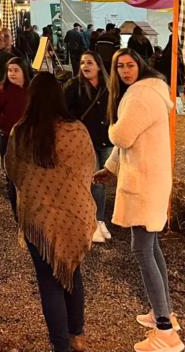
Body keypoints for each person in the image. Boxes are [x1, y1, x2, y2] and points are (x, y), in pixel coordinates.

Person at [94, 49, 184, 352]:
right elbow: (132, 142)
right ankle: (164, 312)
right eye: (120, 66)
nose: (124, 70)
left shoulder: (138, 95)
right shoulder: (152, 90)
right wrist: (110, 168)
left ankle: (165, 332)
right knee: (150, 245)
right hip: (150, 178)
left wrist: (110, 128)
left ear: (139, 65)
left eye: (130, 65)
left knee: (142, 249)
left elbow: (122, 136)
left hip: (144, 181)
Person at [5, 72, 96, 352]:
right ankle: (76, 335)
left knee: (49, 281)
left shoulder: (22, 132)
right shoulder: (78, 130)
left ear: (31, 98)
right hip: (75, 214)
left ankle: (61, 345)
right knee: (72, 272)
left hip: (39, 218)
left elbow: (13, 173)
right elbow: (88, 169)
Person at [64, 51, 113, 244]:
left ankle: (99, 220)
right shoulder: (73, 87)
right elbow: (63, 113)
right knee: (95, 182)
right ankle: (94, 221)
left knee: (102, 182)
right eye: (83, 62)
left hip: (107, 140)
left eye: (90, 62)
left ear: (99, 66)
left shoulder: (109, 87)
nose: (85, 65)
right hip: (85, 142)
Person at [0, 57, 30, 213]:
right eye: (10, 70)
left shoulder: (31, 89)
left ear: (24, 71)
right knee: (12, 175)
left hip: (28, 138)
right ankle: (16, 210)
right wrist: (4, 121)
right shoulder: (3, 89)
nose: (12, 74)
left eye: (16, 70)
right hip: (8, 137)